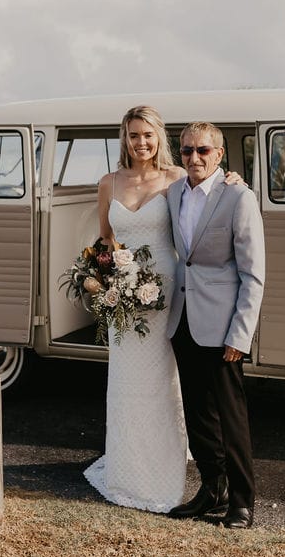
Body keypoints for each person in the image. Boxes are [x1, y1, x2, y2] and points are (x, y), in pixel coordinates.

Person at [83, 106, 244, 513]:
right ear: (125, 138)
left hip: (169, 293)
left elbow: (213, 194)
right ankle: (127, 469)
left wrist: (234, 179)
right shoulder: (108, 183)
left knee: (167, 384)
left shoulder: (175, 177)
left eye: (148, 135)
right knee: (126, 382)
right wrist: (104, 278)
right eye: (133, 135)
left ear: (160, 139)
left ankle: (167, 469)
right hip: (124, 297)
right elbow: (106, 240)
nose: (141, 143)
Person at [164, 121, 265, 530]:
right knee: (198, 412)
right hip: (183, 318)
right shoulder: (173, 192)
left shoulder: (239, 197)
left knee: (230, 417)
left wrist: (241, 334)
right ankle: (212, 488)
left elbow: (253, 273)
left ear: (220, 155)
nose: (194, 158)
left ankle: (242, 502)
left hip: (223, 327)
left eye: (203, 150)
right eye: (187, 151)